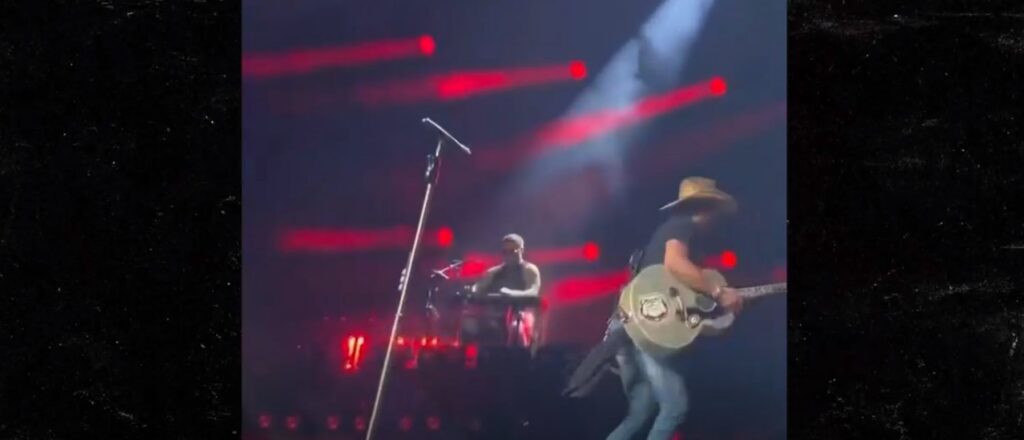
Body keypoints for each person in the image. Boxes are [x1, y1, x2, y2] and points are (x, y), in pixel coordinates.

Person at [605, 177, 744, 440]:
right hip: (645, 330)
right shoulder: (682, 226)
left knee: (640, 413)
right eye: (713, 210)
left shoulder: (671, 232)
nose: (716, 218)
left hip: (629, 325)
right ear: (705, 207)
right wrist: (717, 292)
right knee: (674, 407)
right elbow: (676, 264)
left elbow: (683, 299)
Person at [471, 233, 542, 348]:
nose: (509, 255)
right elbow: (478, 287)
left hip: (522, 314)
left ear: (521, 250)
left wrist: (512, 294)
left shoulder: (530, 269)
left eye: (513, 251)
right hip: (497, 316)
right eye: (505, 251)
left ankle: (520, 357)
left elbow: (534, 291)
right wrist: (473, 290)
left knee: (516, 328)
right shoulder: (494, 272)